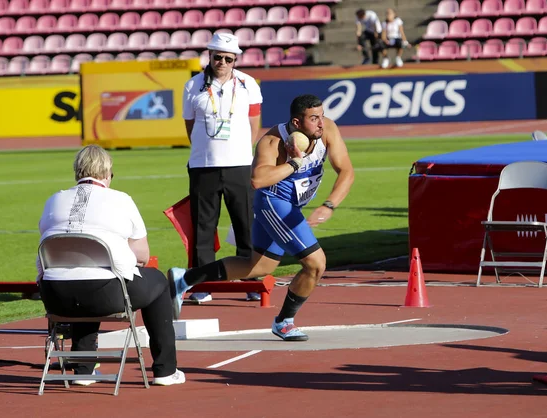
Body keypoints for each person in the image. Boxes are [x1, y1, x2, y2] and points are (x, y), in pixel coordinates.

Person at [168, 94, 355, 341]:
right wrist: (295, 163)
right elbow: (257, 180)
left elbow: (347, 171)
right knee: (316, 264)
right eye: (314, 118)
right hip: (274, 203)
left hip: (292, 206)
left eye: (321, 115)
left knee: (257, 266)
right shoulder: (272, 141)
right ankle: (284, 321)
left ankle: (184, 278)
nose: (321, 122)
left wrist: (329, 205)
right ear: (297, 123)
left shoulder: (327, 129)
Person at [37, 145, 184, 386]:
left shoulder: (54, 199)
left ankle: (83, 370)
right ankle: (165, 369)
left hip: (55, 296)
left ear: (77, 172)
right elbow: (142, 256)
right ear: (108, 174)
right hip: (106, 294)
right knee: (157, 281)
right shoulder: (121, 199)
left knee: (82, 273)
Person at [182, 32, 263, 304]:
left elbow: (255, 123)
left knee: (246, 225)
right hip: (204, 166)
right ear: (210, 55)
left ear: (235, 60)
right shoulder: (192, 86)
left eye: (229, 58)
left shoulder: (248, 84)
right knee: (203, 228)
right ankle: (204, 285)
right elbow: (189, 126)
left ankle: (251, 281)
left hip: (239, 165)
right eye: (218, 57)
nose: (223, 62)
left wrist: (243, 152)